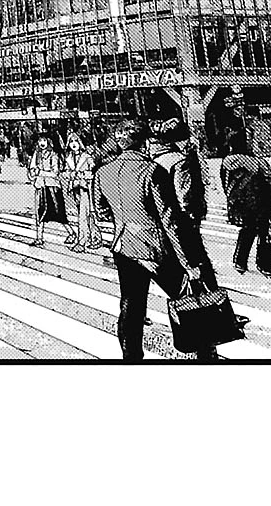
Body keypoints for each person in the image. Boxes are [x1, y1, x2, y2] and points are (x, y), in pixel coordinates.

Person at [93, 121, 221, 362]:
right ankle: (205, 354)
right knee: (186, 294)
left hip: (123, 246)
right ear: (144, 142)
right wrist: (188, 263)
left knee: (131, 305)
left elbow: (100, 211)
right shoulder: (152, 171)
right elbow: (169, 220)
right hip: (155, 247)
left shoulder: (103, 172)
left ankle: (131, 358)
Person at [222, 142, 271, 277]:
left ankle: (240, 261)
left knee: (247, 231)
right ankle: (266, 266)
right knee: (265, 233)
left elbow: (225, 184)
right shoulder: (259, 163)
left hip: (241, 205)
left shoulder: (226, 163)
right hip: (262, 204)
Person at [30, 130, 75, 247]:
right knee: (40, 213)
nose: (42, 143)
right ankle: (39, 238)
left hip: (52, 187)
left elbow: (55, 173)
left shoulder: (53, 155)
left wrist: (40, 172)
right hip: (40, 186)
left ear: (49, 142)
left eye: (44, 140)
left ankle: (72, 233)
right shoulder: (36, 154)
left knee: (59, 213)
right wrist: (33, 174)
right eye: (40, 141)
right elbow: (32, 168)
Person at [64, 128, 100, 248]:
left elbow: (93, 171)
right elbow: (66, 173)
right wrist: (71, 175)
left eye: (76, 141)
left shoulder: (87, 157)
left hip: (85, 188)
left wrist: (81, 174)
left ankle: (82, 242)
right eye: (71, 142)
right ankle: (95, 237)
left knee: (83, 215)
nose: (74, 144)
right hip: (75, 188)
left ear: (80, 142)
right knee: (86, 213)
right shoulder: (69, 158)